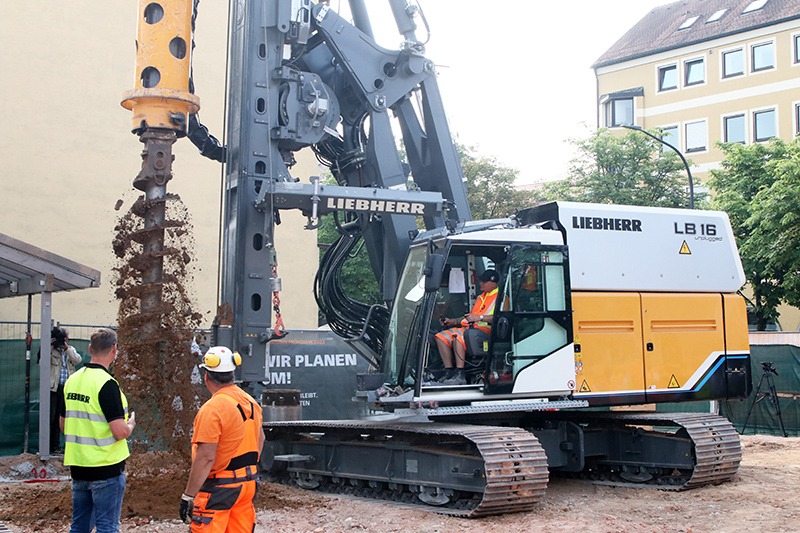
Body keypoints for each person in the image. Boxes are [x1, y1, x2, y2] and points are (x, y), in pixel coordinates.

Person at [180, 346, 265, 532]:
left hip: (220, 488)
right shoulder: (250, 402)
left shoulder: (213, 408)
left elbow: (206, 457)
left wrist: (189, 495)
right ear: (233, 374)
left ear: (206, 377)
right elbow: (260, 438)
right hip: (247, 485)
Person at [60, 328, 135, 533]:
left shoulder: (72, 381)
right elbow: (119, 432)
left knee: (80, 526)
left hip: (79, 466)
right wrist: (130, 426)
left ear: (90, 348)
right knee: (107, 526)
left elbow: (63, 425)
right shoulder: (107, 385)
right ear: (114, 350)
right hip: (106, 468)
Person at [433, 269, 500, 385]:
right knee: (441, 337)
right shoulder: (481, 297)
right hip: (470, 330)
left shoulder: (501, 298)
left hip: (486, 331)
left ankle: (460, 373)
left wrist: (480, 318)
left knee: (458, 336)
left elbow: (501, 318)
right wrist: (452, 321)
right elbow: (470, 317)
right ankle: (449, 371)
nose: (480, 284)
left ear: (493, 283)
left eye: (484, 281)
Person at [48, 326, 83, 454]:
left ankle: (62, 446)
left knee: (65, 418)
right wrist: (50, 347)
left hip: (67, 388)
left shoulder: (70, 350)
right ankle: (50, 446)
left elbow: (78, 359)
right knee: (52, 417)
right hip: (53, 388)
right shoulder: (51, 351)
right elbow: (42, 363)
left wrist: (66, 348)